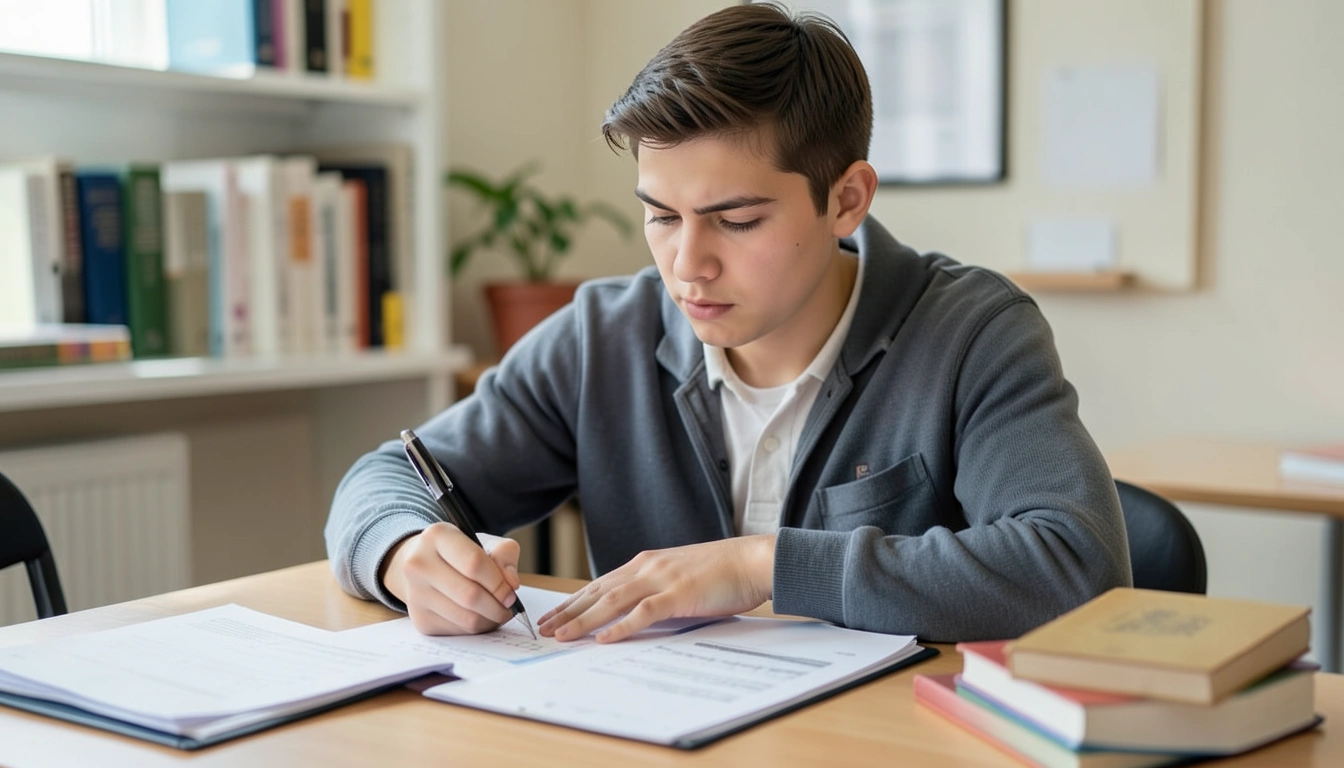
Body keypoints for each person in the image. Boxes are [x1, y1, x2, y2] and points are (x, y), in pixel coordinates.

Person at [325, 2, 1130, 645]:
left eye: (736, 221)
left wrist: (761, 566)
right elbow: (386, 479)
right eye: (661, 216)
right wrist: (402, 551)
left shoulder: (973, 333)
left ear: (847, 198)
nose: (687, 265)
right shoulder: (604, 335)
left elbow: (1077, 566)